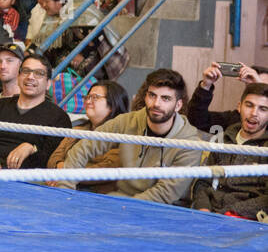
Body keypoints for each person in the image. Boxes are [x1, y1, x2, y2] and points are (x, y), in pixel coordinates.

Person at [57, 69, 203, 204]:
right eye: (152, 95)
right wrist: (66, 187)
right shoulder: (127, 121)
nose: (156, 104)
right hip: (119, 198)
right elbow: (84, 147)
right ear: (145, 96)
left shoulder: (189, 143)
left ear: (178, 105)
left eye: (165, 98)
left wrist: (122, 207)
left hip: (163, 210)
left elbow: (165, 193)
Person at [0, 51, 71, 170]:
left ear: (48, 84)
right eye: (26, 71)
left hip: (23, 173)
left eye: (39, 73)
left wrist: (31, 148)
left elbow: (53, 157)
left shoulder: (58, 117)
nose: (30, 77)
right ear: (18, 77)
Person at [189, 81, 268, 217]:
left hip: (244, 220)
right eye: (249, 105)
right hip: (208, 215)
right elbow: (202, 182)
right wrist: (203, 209)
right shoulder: (223, 139)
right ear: (239, 107)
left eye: (263, 109)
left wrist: (233, 213)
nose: (254, 113)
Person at [46, 80, 130, 192]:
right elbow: (54, 159)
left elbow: (107, 168)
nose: (88, 101)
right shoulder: (78, 130)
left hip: (97, 194)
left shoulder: (122, 136)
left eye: (95, 97)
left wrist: (65, 174)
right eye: (87, 97)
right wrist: (62, 171)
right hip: (63, 184)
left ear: (113, 105)